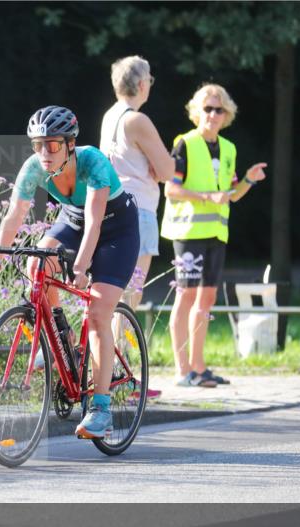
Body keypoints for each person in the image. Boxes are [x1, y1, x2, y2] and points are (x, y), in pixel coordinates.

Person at [0, 106, 140, 439]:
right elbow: (13, 217)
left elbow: (95, 222)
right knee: (36, 264)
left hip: (115, 230)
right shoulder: (34, 167)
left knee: (97, 313)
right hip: (73, 221)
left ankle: (101, 407)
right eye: (37, 145)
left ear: (69, 144)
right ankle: (61, 341)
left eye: (51, 145)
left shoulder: (92, 161)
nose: (43, 153)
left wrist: (81, 266)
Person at [161, 84, 267, 387]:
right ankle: (183, 371)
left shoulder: (229, 148)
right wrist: (207, 196)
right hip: (188, 231)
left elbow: (232, 195)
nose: (213, 114)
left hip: (216, 234)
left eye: (218, 109)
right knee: (187, 296)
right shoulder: (184, 143)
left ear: (227, 114)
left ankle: (199, 366)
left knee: (207, 298)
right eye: (207, 108)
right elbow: (171, 188)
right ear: (197, 112)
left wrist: (249, 179)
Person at [99, 56, 175, 400]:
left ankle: (111, 370)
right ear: (141, 84)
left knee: (112, 294)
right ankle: (123, 374)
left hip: (110, 209)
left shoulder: (109, 116)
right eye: (150, 79)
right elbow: (168, 169)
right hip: (140, 212)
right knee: (131, 295)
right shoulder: (138, 120)